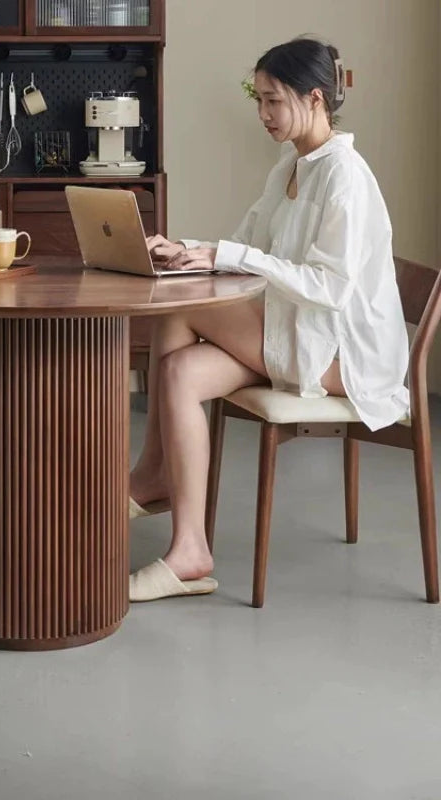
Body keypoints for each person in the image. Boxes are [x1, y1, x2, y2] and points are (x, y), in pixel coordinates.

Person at [128, 37, 410, 602]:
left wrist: (223, 259)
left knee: (177, 316)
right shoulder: (292, 163)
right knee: (181, 372)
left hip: (342, 352)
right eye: (257, 99)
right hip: (298, 329)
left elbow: (329, 288)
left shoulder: (345, 176)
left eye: (272, 101)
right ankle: (190, 551)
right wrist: (188, 249)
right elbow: (249, 246)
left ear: (314, 99)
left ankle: (153, 477)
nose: (262, 114)